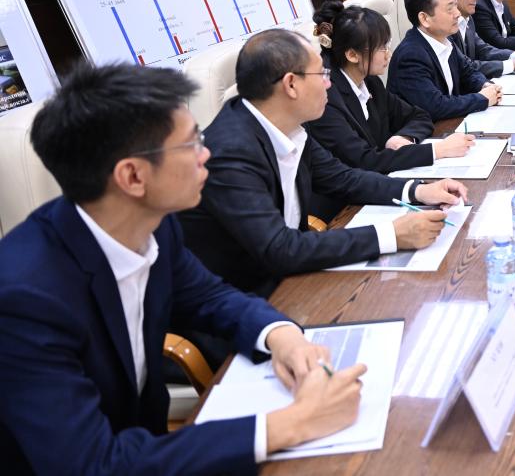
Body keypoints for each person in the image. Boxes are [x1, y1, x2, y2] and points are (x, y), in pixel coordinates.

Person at [0, 63, 366, 473]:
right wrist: (294, 423)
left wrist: (281, 336)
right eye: (192, 143)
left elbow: (210, 296)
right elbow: (91, 464)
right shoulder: (23, 300)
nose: (207, 153)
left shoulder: (154, 223)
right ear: (132, 176)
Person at [180, 28, 468, 297]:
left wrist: (419, 190)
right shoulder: (230, 152)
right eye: (322, 74)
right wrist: (392, 234)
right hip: (249, 297)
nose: (329, 84)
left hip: (293, 277)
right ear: (291, 84)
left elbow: (344, 178)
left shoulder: (289, 126)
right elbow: (279, 248)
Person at [307, 0, 474, 174]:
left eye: (388, 45)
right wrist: (437, 151)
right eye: (382, 48)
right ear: (352, 55)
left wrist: (404, 137)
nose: (389, 54)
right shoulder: (326, 97)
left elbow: (419, 116)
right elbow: (363, 161)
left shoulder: (370, 81)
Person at [387, 0, 501, 121]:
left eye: (456, 5)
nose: (457, 13)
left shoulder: (445, 39)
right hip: (424, 130)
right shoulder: (410, 55)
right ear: (424, 19)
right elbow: (435, 106)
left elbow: (468, 72)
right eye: (449, 8)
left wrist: (485, 85)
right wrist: (482, 98)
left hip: (448, 123)